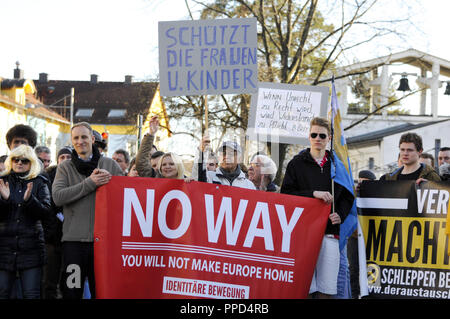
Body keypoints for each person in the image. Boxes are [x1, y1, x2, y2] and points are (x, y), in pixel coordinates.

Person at [280, 117, 354, 299]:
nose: (318, 138)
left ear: (329, 138)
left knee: (327, 289)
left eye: (322, 135)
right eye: (314, 134)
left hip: (330, 233)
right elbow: (286, 196)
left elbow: (347, 196)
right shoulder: (295, 164)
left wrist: (340, 215)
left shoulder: (337, 165)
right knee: (303, 287)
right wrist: (313, 193)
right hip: (302, 234)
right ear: (309, 136)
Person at [52, 122, 123, 299]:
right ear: (71, 141)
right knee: (72, 292)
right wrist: (90, 183)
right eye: (76, 138)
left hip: (102, 244)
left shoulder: (110, 165)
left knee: (102, 292)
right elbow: (58, 197)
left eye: (84, 137)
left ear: (92, 139)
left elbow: (125, 197)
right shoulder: (64, 167)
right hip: (73, 244)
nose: (80, 141)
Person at [0, 145, 51, 298]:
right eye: (16, 159)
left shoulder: (40, 182)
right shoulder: (2, 181)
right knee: (2, 293)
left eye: (24, 160)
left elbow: (46, 213)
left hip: (31, 249)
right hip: (4, 249)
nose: (19, 163)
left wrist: (30, 200)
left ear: (32, 163)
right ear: (11, 161)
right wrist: (5, 200)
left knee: (31, 294)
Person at [41, 146, 72, 299]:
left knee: (71, 282)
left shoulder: (78, 177)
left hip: (72, 239)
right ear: (57, 160)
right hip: (52, 240)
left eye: (68, 157)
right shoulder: (47, 178)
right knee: (49, 281)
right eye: (62, 157)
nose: (65, 160)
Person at [348, 169, 376, 299]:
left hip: (372, 239)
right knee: (354, 270)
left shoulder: (377, 195)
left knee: (372, 269)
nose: (363, 185)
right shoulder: (353, 194)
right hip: (355, 237)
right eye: (361, 182)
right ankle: (354, 295)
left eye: (367, 183)